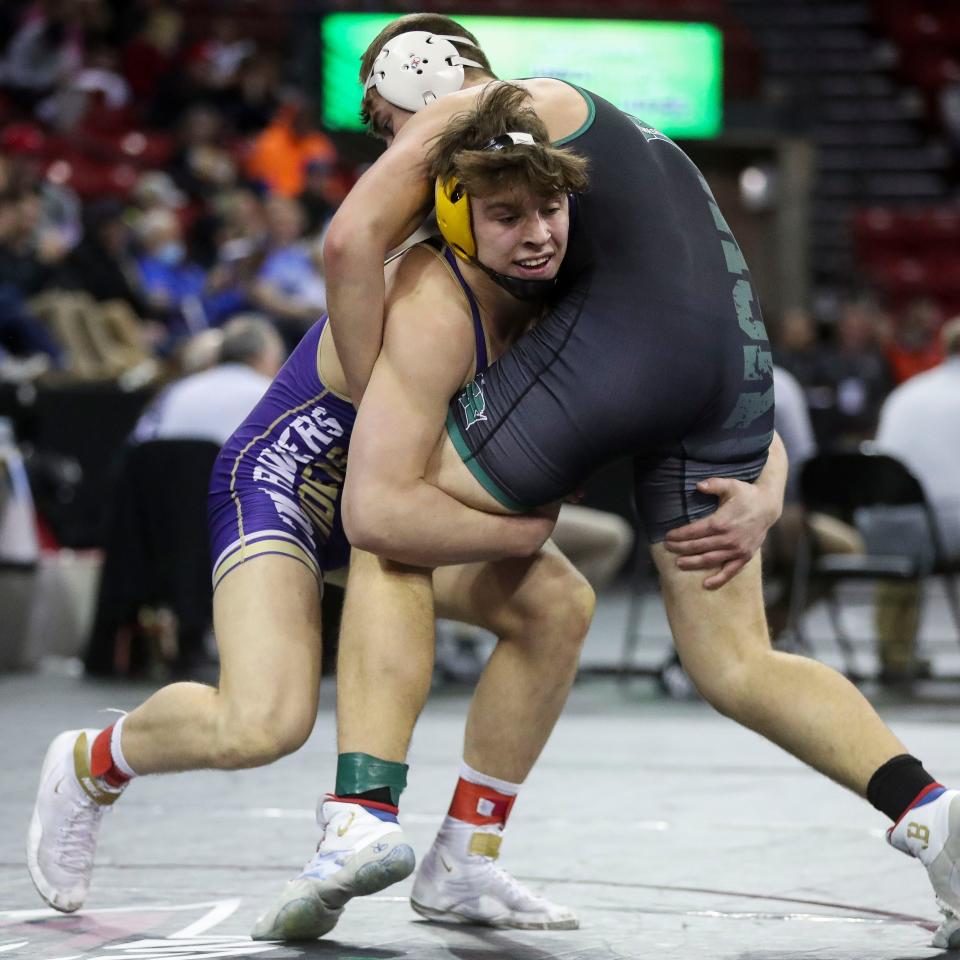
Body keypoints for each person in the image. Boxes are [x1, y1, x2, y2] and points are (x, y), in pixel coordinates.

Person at [316, 15, 959, 949]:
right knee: (736, 663)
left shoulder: (469, 114)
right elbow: (704, 323)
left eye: (398, 149)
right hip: (734, 369)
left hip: (636, 352)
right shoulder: (619, 142)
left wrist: (374, 391)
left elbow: (345, 245)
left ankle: (360, 812)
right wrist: (766, 486)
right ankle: (931, 813)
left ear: (405, 112)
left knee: (391, 524)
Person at [27, 105, 594, 940]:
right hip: (289, 485)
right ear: (454, 214)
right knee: (263, 724)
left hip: (382, 505)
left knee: (558, 605)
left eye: (549, 210)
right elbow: (355, 241)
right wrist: (521, 530)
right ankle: (92, 763)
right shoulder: (433, 298)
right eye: (507, 216)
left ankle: (466, 860)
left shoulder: (554, 288)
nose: (538, 234)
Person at [873, 315, 960, 682]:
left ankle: (895, 656)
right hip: (945, 529)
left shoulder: (905, 394)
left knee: (904, 521)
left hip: (882, 530)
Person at [131, 314, 285, 446]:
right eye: (278, 360)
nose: (280, 368)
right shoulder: (271, 397)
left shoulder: (176, 391)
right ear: (260, 356)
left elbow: (140, 441)